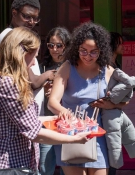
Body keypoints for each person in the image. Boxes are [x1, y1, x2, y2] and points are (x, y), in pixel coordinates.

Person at [0, 27, 89, 172]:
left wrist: (54, 120)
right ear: (20, 53)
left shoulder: (6, 80)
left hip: (18, 164)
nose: (34, 63)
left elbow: (23, 121)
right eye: (33, 56)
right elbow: (34, 132)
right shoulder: (7, 83)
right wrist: (75, 138)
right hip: (10, 166)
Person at [48, 22, 127, 175]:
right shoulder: (67, 67)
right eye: (83, 51)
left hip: (97, 136)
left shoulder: (108, 71)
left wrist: (110, 105)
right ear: (76, 48)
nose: (87, 56)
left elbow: (125, 100)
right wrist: (65, 112)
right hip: (71, 135)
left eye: (93, 52)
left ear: (101, 51)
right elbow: (52, 102)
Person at [0, 0, 55, 115]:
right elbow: (32, 81)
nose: (32, 22)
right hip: (22, 117)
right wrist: (49, 74)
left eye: (35, 18)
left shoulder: (16, 35)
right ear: (14, 13)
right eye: (27, 16)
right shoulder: (11, 37)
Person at [39, 27, 70, 175]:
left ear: (66, 45)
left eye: (59, 45)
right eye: (51, 45)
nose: (55, 49)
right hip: (47, 121)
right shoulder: (42, 68)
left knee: (68, 166)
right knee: (45, 167)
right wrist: (43, 90)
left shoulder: (72, 66)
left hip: (66, 121)